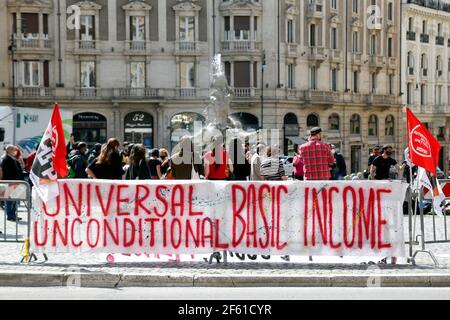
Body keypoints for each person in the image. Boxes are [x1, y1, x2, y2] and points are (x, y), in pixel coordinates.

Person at [0, 145, 24, 221]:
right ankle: (10, 215)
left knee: (14, 200)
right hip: (10, 183)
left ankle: (13, 214)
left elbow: (19, 170)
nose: (15, 151)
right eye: (13, 150)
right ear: (9, 150)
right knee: (10, 201)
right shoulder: (6, 159)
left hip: (16, 183)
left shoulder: (14, 159)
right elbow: (6, 173)